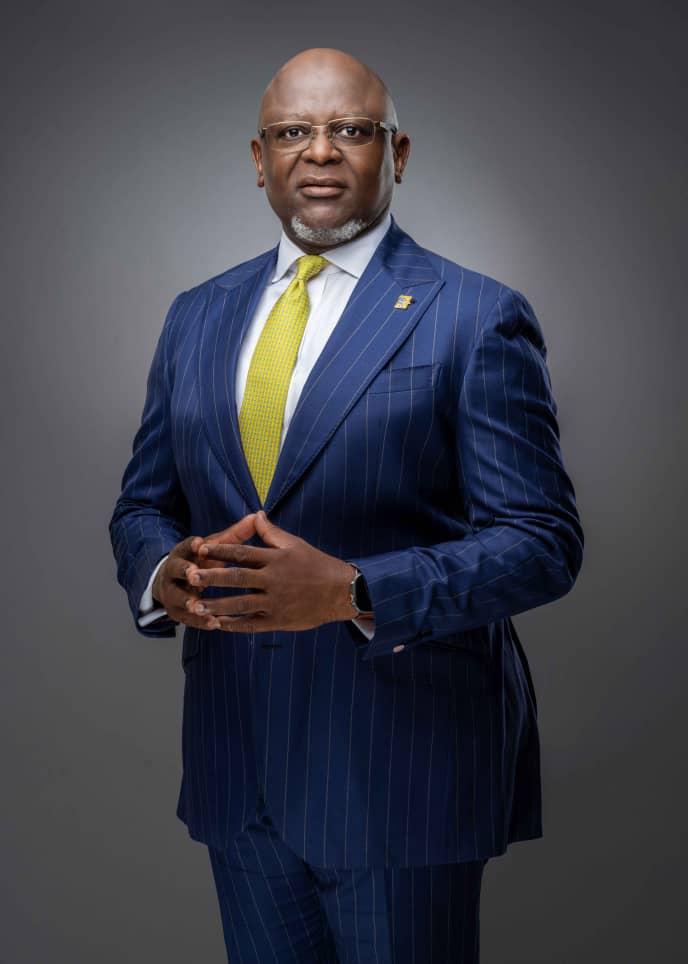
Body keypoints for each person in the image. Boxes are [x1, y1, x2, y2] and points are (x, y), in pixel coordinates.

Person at [109, 46, 584, 963]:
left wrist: (353, 591)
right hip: (237, 773)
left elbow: (542, 542)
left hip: (399, 777)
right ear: (260, 160)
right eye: (293, 132)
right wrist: (163, 571)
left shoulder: (474, 315)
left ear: (395, 153)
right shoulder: (195, 316)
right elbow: (142, 505)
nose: (319, 151)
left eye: (350, 129)